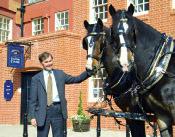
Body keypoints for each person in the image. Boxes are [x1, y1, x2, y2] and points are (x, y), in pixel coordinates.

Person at [28, 52, 91, 137]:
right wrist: (32, 117)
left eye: (50, 61)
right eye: (46, 62)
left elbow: (76, 79)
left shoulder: (60, 74)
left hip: (58, 110)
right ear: (41, 63)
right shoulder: (36, 78)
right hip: (43, 111)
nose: (49, 63)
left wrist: (88, 72)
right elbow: (33, 100)